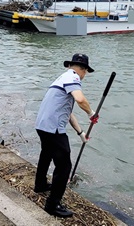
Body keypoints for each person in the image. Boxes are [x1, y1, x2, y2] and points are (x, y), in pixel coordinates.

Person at [34, 53, 99, 218]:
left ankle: (40, 185)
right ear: (82, 70)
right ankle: (52, 205)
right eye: (85, 72)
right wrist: (92, 113)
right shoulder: (73, 77)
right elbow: (80, 99)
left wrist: (81, 133)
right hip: (52, 128)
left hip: (42, 125)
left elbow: (68, 113)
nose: (84, 76)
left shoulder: (62, 78)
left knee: (47, 153)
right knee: (64, 167)